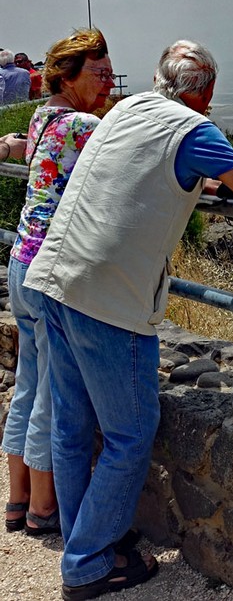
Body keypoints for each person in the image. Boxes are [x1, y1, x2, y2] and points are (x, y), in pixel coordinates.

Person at [24, 39, 233, 601]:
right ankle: (87, 564)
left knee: (71, 425)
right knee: (131, 434)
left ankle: (84, 537)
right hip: (110, 298)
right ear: (206, 93)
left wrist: (199, 179)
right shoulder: (195, 130)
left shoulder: (126, 109)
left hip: (56, 276)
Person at [3, 29, 114, 539]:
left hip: (20, 260)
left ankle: (17, 497)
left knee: (28, 383)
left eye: (109, 72)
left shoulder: (43, 115)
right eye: (99, 73)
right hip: (50, 270)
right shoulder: (85, 125)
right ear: (67, 77)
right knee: (51, 391)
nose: (108, 81)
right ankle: (44, 507)